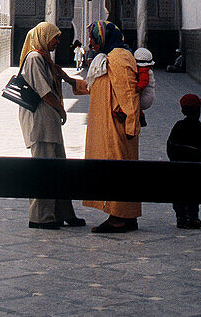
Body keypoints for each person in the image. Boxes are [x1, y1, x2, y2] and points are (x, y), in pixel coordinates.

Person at [72, 20, 141, 233]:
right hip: (106, 123)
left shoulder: (118, 58)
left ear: (103, 37)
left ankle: (118, 218)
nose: (90, 42)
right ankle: (125, 215)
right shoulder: (109, 58)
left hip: (115, 126)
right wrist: (68, 79)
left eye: (93, 37)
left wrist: (131, 124)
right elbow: (98, 84)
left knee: (115, 168)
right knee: (116, 168)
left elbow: (128, 93)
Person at [18, 21, 86, 229]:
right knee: (44, 169)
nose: (58, 42)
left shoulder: (45, 59)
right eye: (55, 37)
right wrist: (61, 108)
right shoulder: (34, 58)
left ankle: (62, 213)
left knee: (58, 168)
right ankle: (40, 217)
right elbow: (44, 91)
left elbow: (57, 78)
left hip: (50, 123)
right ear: (44, 36)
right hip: (40, 123)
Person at [166, 92, 201, 229]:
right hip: (195, 171)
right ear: (198, 110)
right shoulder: (200, 128)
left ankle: (180, 217)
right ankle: (192, 218)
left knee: (179, 193)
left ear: (182, 111)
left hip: (178, 170)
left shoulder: (178, 126)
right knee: (193, 194)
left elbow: (170, 146)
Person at [133, 46, 156, 126]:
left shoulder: (144, 71)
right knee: (137, 107)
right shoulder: (147, 70)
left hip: (145, 97)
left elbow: (144, 81)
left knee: (134, 105)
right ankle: (141, 118)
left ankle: (140, 118)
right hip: (149, 96)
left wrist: (137, 88)